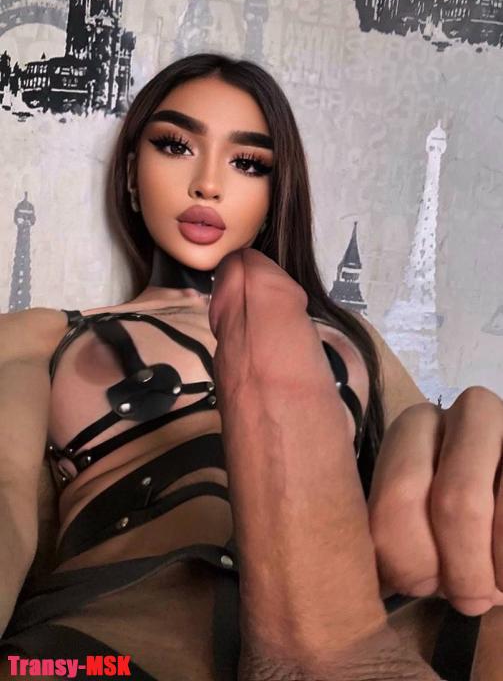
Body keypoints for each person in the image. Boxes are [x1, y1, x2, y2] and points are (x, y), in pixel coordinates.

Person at [0, 53, 501, 680]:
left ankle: (322, 623)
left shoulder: (350, 336)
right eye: (176, 146)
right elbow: (5, 493)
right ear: (130, 172)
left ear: (274, 196)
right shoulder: (45, 333)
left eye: (247, 163)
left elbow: (432, 474)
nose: (208, 184)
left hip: (376, 609)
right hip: (121, 617)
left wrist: (464, 469)